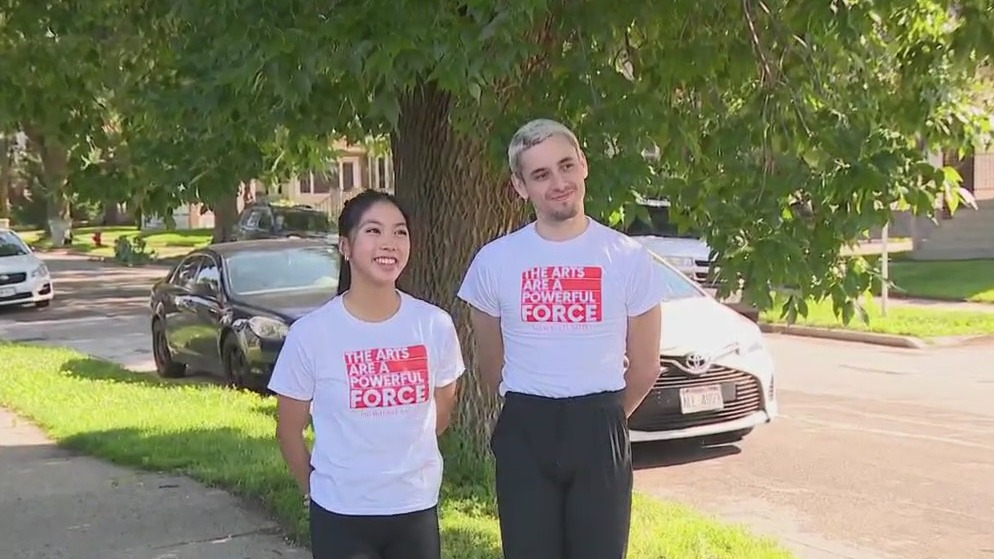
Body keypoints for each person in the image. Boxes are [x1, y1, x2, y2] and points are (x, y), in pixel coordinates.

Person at [457, 118, 667, 559]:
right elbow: (490, 361)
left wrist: (601, 419)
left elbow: (646, 365)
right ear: (519, 186)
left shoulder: (628, 258)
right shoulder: (494, 262)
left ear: (584, 166)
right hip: (525, 427)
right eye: (540, 174)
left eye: (566, 165)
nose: (558, 182)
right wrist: (534, 407)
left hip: (600, 425)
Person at [269, 190, 465, 559]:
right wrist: (317, 489)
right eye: (373, 231)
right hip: (341, 513)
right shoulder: (312, 334)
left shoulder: (434, 325)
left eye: (400, 232)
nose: (388, 243)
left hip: (415, 507)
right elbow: (288, 430)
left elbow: (439, 413)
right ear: (345, 246)